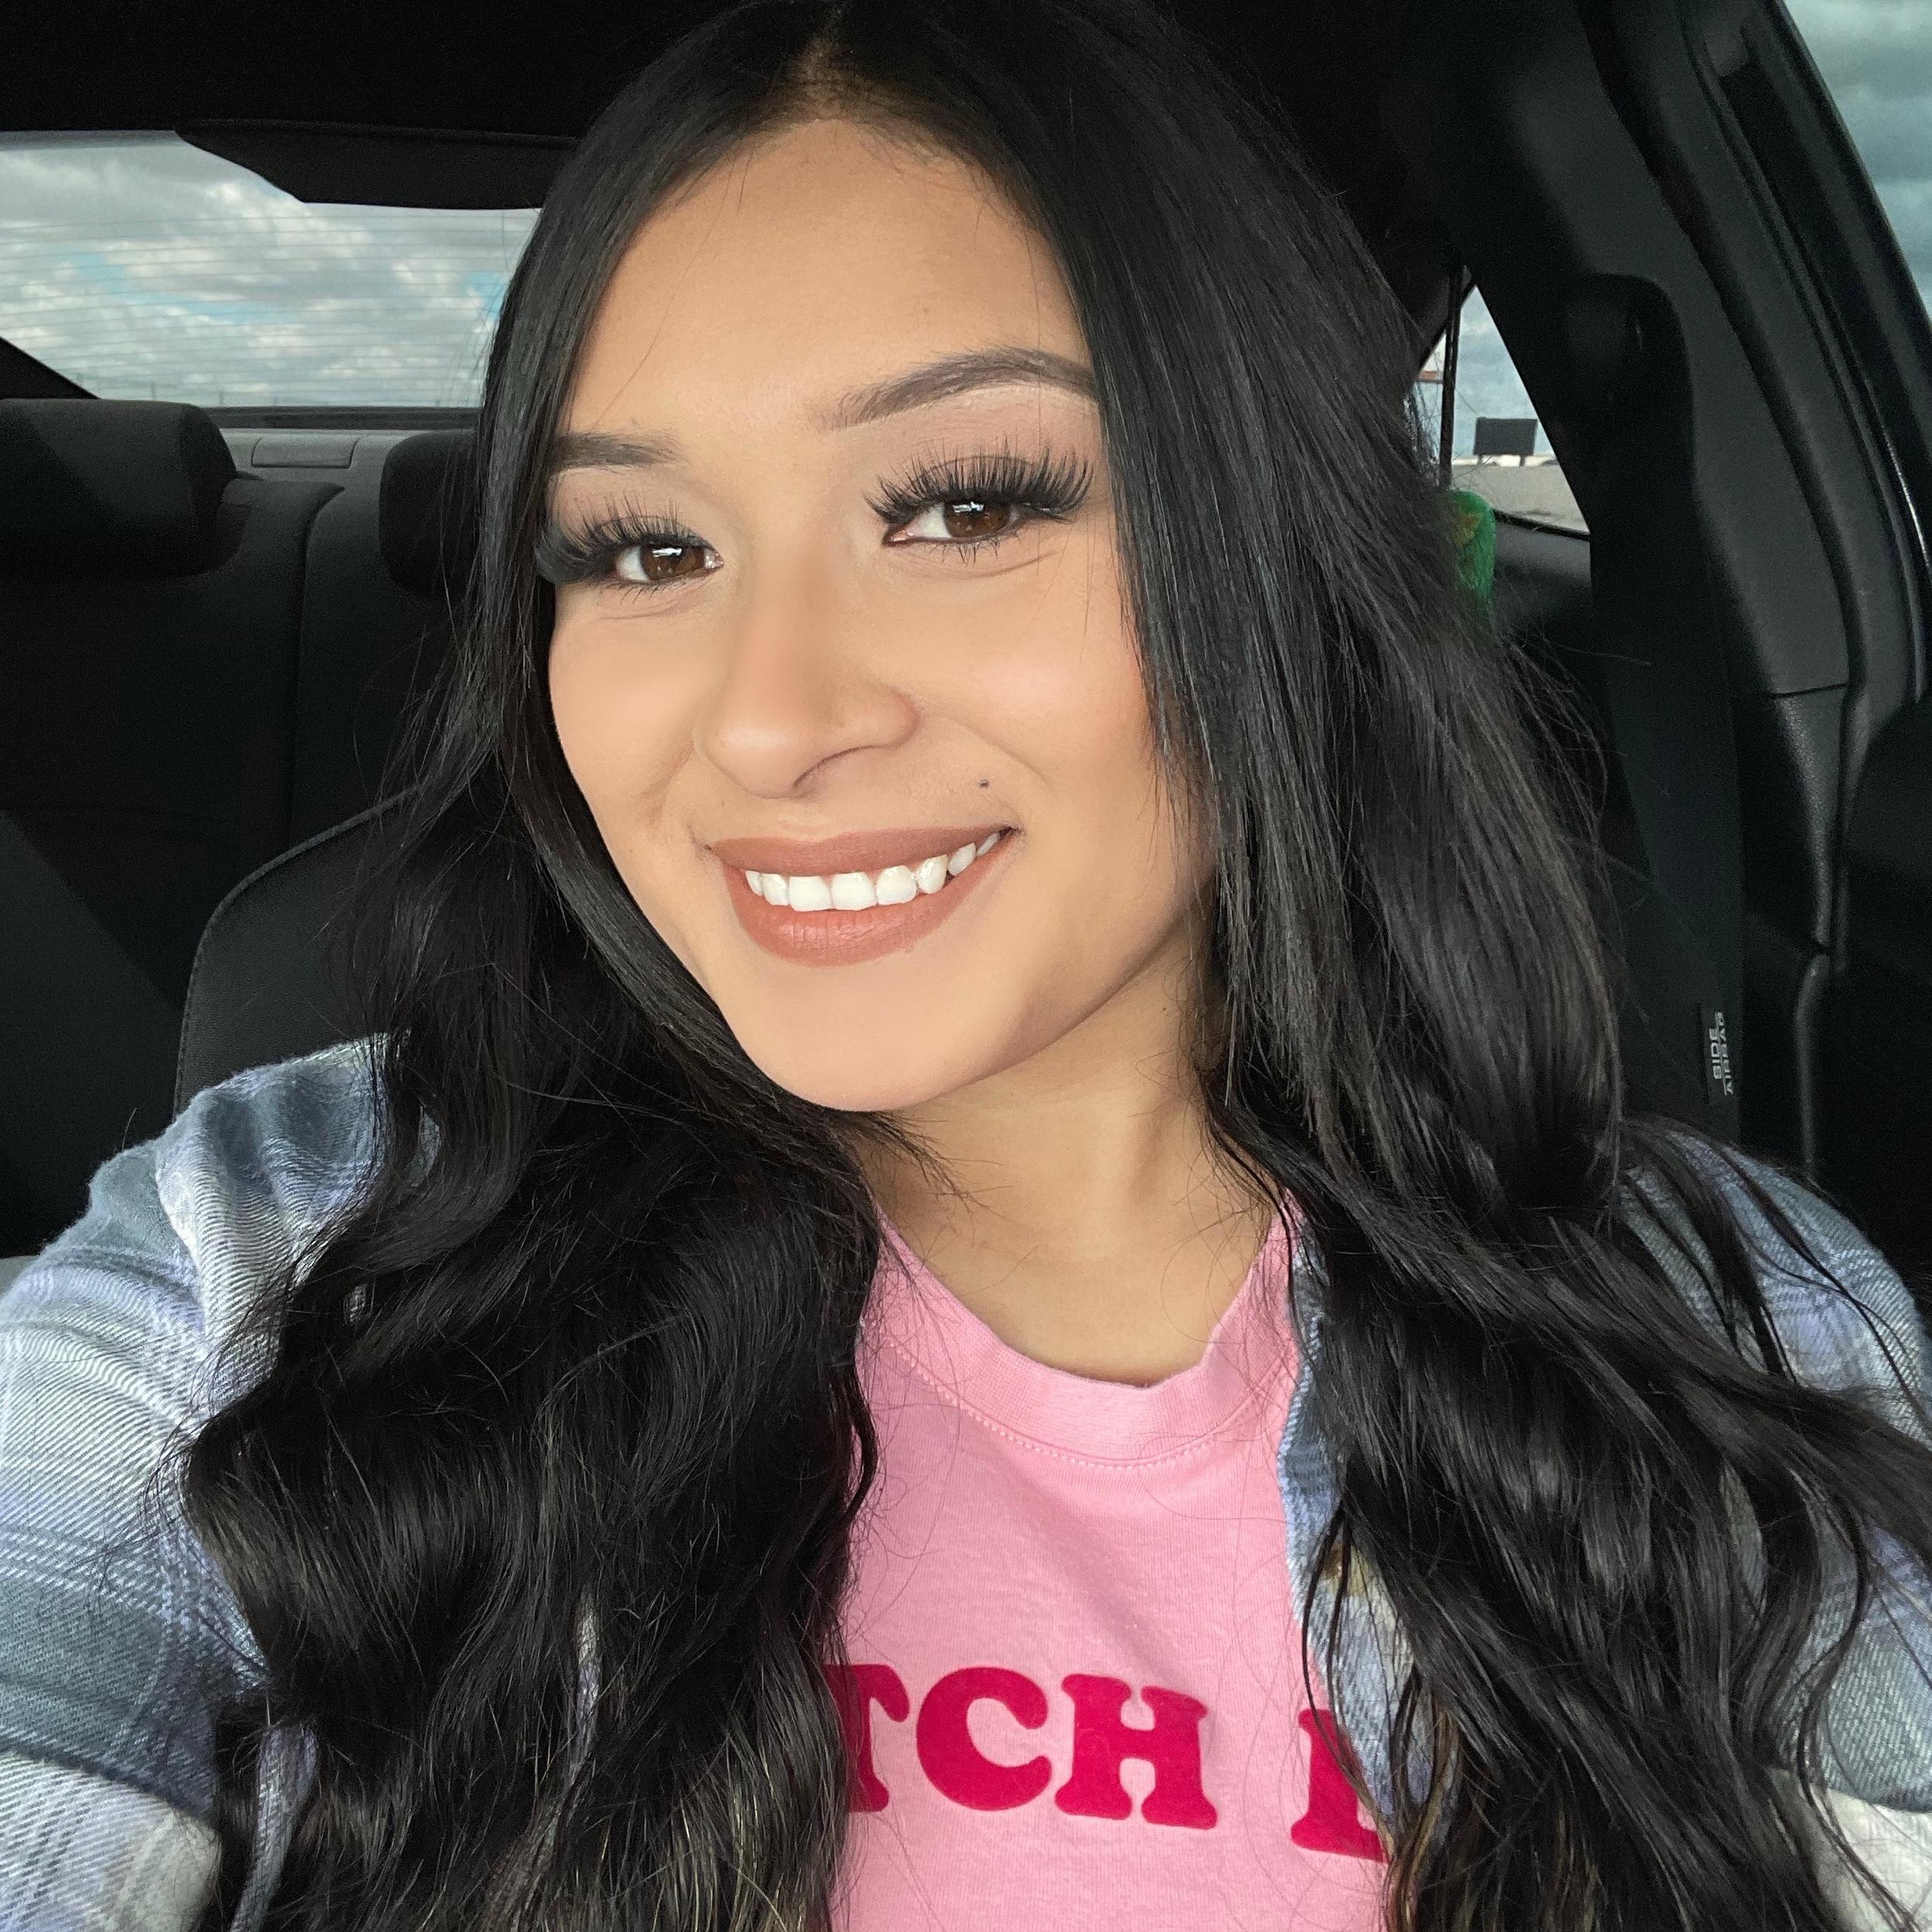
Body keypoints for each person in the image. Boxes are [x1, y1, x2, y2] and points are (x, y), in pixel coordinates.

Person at [4, 2, 1932, 1928]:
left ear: (1280, 548)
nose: (767, 720)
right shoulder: (271, 1258)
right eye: (645, 548)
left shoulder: (1738, 1321)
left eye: (962, 504)